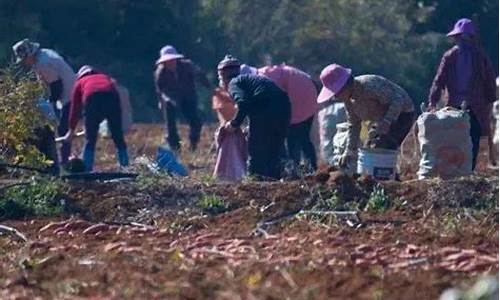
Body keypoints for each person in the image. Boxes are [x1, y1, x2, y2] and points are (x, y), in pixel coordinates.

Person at [428, 18, 497, 171]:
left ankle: (460, 172)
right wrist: (432, 101)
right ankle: (463, 171)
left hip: (465, 108)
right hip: (464, 107)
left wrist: (433, 101)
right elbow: (490, 82)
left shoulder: (459, 56)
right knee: (467, 141)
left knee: (460, 140)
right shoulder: (476, 56)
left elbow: (438, 81)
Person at [318, 64, 415, 167]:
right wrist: (349, 150)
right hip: (380, 119)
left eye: (336, 93)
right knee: (367, 148)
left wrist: (387, 121)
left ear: (345, 86)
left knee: (381, 148)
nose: (336, 97)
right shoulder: (349, 101)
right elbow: (354, 125)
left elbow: (398, 100)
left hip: (401, 114)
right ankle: (380, 177)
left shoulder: (368, 85)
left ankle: (387, 179)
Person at [218, 55, 291, 180]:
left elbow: (243, 103)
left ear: (223, 78)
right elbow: (252, 104)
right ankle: (275, 182)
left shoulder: (234, 83)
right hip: (284, 107)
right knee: (273, 151)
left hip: (266, 107)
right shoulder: (249, 80)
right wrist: (249, 126)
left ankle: (255, 183)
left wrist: (234, 124)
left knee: (256, 152)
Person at [12, 39, 76, 165]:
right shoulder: (45, 54)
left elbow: (56, 86)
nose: (24, 63)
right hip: (68, 93)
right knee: (61, 128)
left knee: (63, 129)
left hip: (69, 96)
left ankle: (64, 162)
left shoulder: (43, 63)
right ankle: (63, 160)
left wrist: (51, 103)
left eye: (24, 60)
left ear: (29, 55)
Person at [60, 66, 129, 171]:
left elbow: (75, 109)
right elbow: (116, 95)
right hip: (112, 98)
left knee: (90, 138)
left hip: (92, 99)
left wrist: (71, 130)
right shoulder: (105, 77)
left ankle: (87, 168)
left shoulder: (80, 82)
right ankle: (126, 166)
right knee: (118, 136)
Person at [259, 63, 319, 171]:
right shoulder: (268, 73)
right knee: (303, 136)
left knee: (293, 136)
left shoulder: (264, 78)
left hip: (298, 98)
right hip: (309, 91)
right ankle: (311, 168)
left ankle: (294, 169)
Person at [154, 45, 210, 151]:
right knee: (170, 123)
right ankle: (175, 147)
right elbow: (159, 89)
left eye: (172, 60)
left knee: (196, 122)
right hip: (171, 98)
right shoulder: (160, 73)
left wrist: (210, 88)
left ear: (176, 59)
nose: (170, 63)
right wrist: (161, 101)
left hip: (188, 96)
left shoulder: (187, 66)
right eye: (167, 61)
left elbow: (200, 75)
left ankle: (193, 145)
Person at [212, 84, 247, 181]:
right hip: (227, 130)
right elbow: (223, 115)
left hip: (236, 130)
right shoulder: (219, 93)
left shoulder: (239, 90)